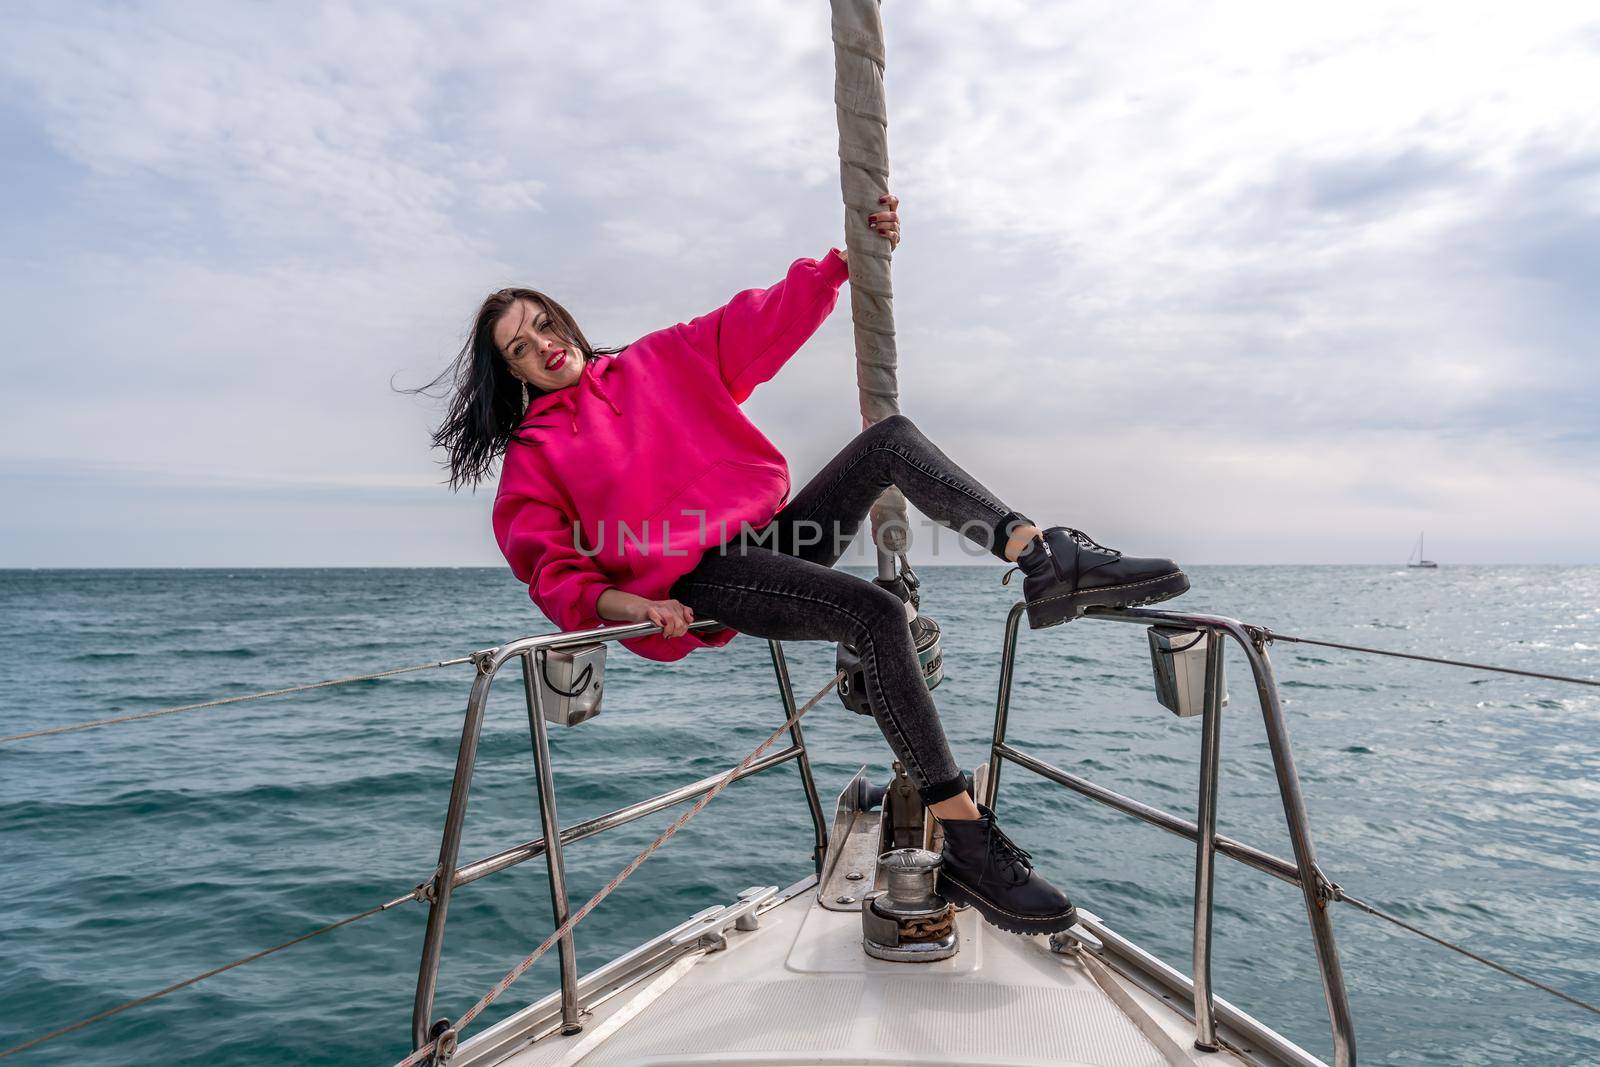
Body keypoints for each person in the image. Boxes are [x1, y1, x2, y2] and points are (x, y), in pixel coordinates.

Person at [425, 193, 1189, 935]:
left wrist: (852, 256)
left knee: (889, 438)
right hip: (705, 576)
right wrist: (634, 608)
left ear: (564, 318)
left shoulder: (655, 361)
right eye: (519, 348)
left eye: (544, 325)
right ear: (514, 373)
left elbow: (757, 321)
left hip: (774, 537)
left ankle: (1041, 553)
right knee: (878, 612)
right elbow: (552, 572)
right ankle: (968, 839)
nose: (544, 346)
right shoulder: (536, 452)